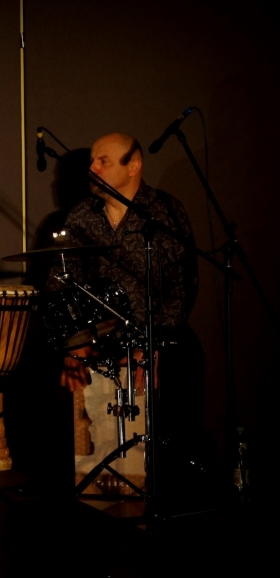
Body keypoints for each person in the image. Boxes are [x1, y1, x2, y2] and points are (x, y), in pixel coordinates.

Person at [49, 132, 207, 502]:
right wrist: (75, 344)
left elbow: (182, 286)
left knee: (184, 363)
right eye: (91, 160)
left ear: (133, 166)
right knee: (58, 377)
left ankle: (168, 489)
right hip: (99, 340)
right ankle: (85, 486)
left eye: (103, 160)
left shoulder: (164, 212)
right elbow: (61, 285)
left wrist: (150, 346)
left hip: (158, 338)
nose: (93, 167)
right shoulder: (82, 216)